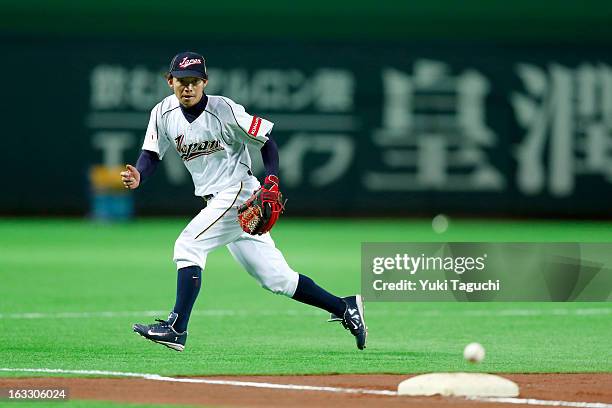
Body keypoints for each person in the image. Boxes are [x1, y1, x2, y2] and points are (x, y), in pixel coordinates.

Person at [121, 51, 367, 352]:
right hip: (217, 202)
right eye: (182, 81)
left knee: (188, 245)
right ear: (169, 81)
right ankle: (345, 307)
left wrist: (272, 178)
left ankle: (176, 328)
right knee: (278, 280)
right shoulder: (162, 113)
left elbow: (267, 141)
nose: (188, 87)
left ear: (205, 82)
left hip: (237, 192)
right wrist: (139, 175)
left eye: (195, 81)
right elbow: (151, 154)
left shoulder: (224, 110)